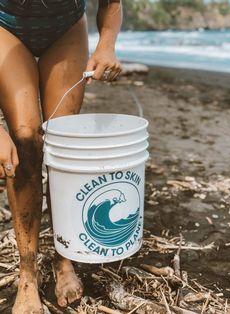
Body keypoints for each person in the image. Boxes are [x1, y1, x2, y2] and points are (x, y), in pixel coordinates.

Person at [0, 0, 122, 312]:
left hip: (65, 30)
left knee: (61, 143)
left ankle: (63, 257)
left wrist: (106, 46)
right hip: (6, 28)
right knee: (26, 141)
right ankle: (27, 275)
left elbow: (111, 2)